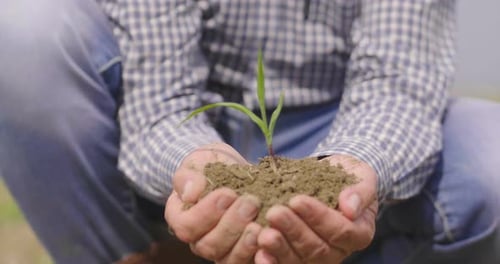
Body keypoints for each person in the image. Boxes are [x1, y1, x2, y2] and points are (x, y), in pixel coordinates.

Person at [0, 0, 498, 263]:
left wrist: (353, 171)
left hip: (337, 125)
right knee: (20, 32)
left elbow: (398, 80)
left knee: (490, 158)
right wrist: (198, 168)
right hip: (192, 128)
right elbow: (160, 97)